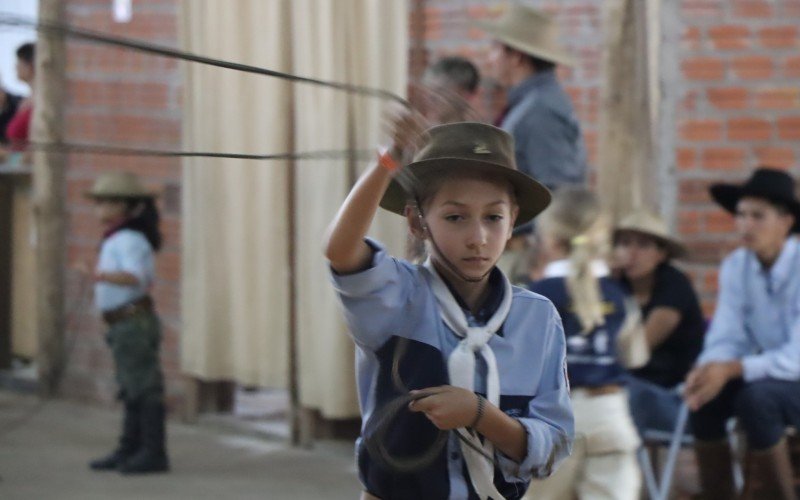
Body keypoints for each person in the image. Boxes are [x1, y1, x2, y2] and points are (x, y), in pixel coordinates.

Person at [324, 117, 573, 499]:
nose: (478, 238)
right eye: (455, 217)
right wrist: (386, 165)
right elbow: (341, 250)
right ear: (417, 221)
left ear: (513, 223)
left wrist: (480, 415)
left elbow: (552, 445)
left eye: (494, 217)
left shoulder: (537, 318)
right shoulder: (395, 299)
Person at [684, 167, 800, 500]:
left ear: (786, 221)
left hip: (789, 376)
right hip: (767, 375)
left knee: (757, 399)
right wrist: (709, 370)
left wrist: (733, 369)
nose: (745, 225)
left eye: (757, 216)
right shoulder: (737, 265)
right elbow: (726, 334)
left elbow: (796, 357)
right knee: (704, 398)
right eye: (741, 215)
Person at [526, 188, 643, 500]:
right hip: (609, 416)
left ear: (549, 238)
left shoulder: (534, 297)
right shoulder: (619, 295)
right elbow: (635, 356)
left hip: (551, 421)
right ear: (602, 237)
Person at [84, 171, 170, 475]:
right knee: (131, 387)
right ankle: (130, 447)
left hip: (133, 319)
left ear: (127, 206)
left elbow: (136, 276)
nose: (100, 210)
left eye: (107, 203)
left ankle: (152, 451)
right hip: (122, 321)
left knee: (143, 388)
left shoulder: (130, 240)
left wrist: (102, 276)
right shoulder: (117, 238)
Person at [613, 210, 705, 435]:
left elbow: (637, 351)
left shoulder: (674, 286)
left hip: (676, 399)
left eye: (643, 245)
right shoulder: (614, 286)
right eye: (624, 243)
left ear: (661, 254)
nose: (631, 253)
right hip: (629, 389)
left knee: (617, 393)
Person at [420, 56, 481, 124]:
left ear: (466, 95)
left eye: (440, 92)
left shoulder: (481, 133)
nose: (430, 99)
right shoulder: (421, 132)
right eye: (428, 91)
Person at [5, 42, 35, 152]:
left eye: (19, 61)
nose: (15, 67)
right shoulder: (25, 101)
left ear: (30, 65)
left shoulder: (39, 101)